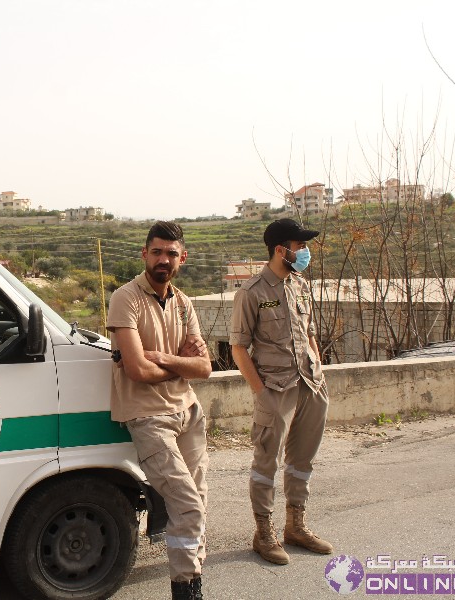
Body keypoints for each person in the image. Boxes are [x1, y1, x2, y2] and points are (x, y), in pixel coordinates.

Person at [107, 221, 212, 600]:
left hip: (188, 412)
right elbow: (136, 370)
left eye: (171, 253)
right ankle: (186, 590)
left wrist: (162, 358)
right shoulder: (126, 298)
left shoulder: (183, 304)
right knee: (188, 506)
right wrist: (179, 364)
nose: (163, 259)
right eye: (157, 252)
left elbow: (204, 368)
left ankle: (193, 577)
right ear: (144, 254)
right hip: (148, 417)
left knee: (198, 502)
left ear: (182, 259)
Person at [229, 218, 333, 566]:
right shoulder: (252, 292)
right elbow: (239, 348)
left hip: (310, 384)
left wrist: (318, 369)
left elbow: (311, 331)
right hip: (275, 389)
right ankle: (264, 533)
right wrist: (261, 393)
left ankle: (296, 526)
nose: (304, 252)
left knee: (302, 460)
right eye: (299, 245)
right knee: (266, 465)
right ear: (280, 250)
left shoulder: (300, 286)